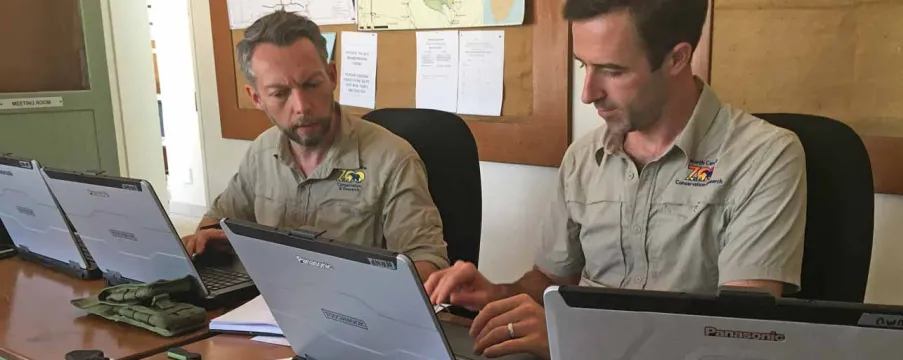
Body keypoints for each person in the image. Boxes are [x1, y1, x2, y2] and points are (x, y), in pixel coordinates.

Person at [424, 0, 807, 358]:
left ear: (677, 58)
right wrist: (497, 295)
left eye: (612, 70)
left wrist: (576, 339)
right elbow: (551, 283)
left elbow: (739, 338)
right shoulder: (583, 157)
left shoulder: (764, 157)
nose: (589, 93)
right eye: (582, 66)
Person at [181, 11, 449, 279]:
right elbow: (218, 218)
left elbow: (427, 266)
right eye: (279, 93)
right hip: (268, 304)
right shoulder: (262, 151)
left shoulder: (393, 160)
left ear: (331, 76)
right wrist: (205, 237)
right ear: (256, 97)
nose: (301, 107)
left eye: (311, 84)